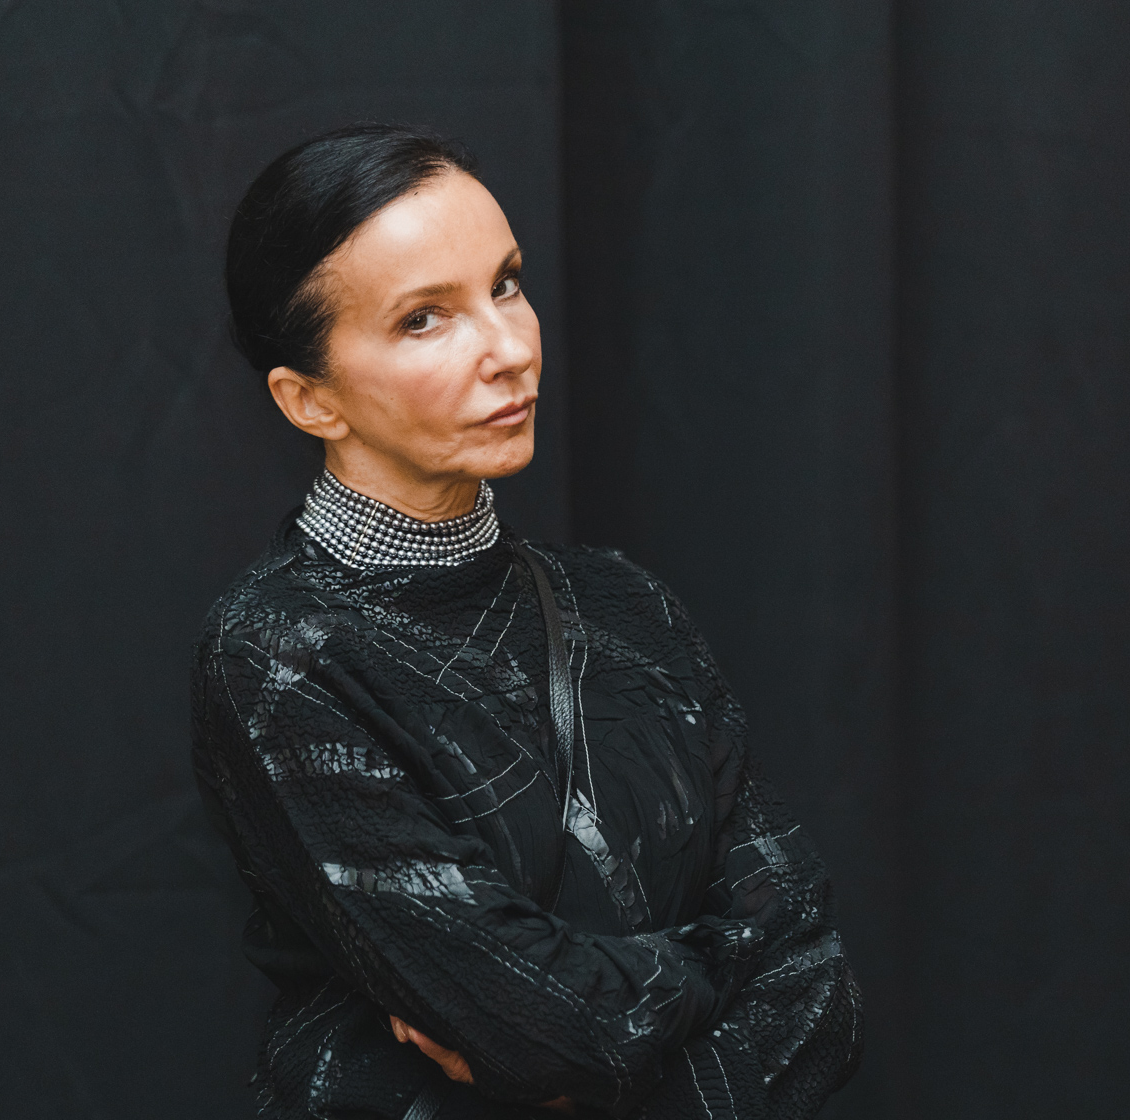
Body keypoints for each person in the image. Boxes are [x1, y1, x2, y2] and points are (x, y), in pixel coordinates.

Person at [192, 123, 861, 1120]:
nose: (510, 349)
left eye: (505, 285)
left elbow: (820, 995)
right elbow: (540, 1028)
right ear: (310, 400)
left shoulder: (625, 605)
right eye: (425, 319)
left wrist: (583, 1074)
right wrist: (706, 979)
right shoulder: (282, 654)